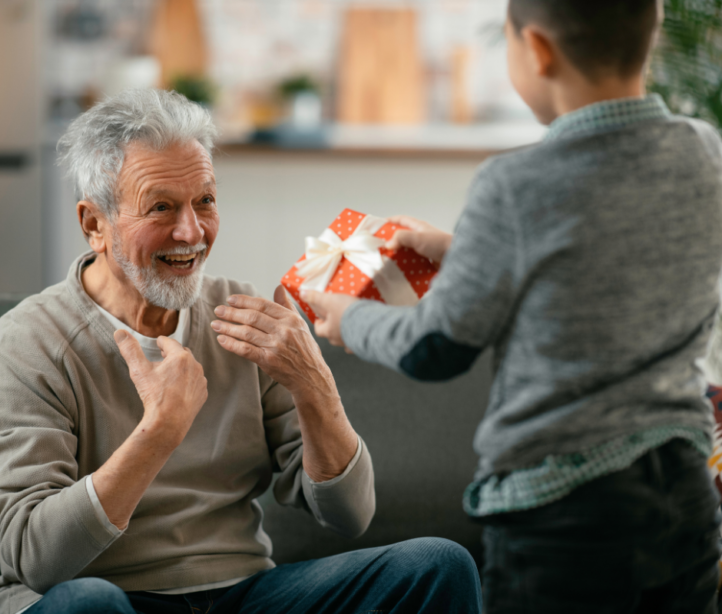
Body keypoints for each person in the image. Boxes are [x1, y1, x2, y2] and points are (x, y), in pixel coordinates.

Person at [0, 89, 481, 614]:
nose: (191, 232)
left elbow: (350, 516)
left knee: (438, 564)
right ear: (94, 224)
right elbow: (34, 558)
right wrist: (160, 432)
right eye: (161, 206)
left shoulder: (244, 316)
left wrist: (315, 385)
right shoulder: (30, 341)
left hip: (241, 595)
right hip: (106, 595)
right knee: (88, 606)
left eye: (205, 201)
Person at [304, 0, 722, 611]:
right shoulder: (704, 152)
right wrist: (465, 251)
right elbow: (613, 262)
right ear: (652, 34)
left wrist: (351, 321)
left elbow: (436, 347)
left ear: (538, 51)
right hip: (684, 491)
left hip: (565, 513)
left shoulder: (515, 183)